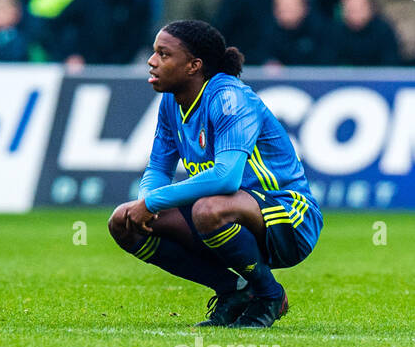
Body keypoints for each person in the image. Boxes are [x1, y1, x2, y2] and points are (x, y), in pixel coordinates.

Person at [107, 20, 323, 328]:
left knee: (209, 209)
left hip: (289, 216)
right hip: (222, 216)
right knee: (124, 222)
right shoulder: (171, 102)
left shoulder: (230, 98)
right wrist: (145, 205)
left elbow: (226, 178)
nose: (151, 61)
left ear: (194, 65)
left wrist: (152, 203)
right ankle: (233, 290)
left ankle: (270, 295)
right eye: (154, 53)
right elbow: (158, 167)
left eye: (164, 54)